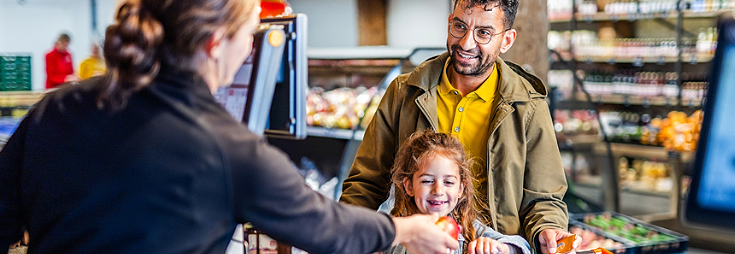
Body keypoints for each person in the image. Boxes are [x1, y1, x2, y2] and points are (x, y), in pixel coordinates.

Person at [0, 0, 459, 253]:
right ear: (217, 42)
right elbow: (327, 229)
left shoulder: (55, 108)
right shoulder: (226, 146)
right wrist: (404, 230)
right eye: (251, 34)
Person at [340, 0, 581, 253]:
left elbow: (544, 198)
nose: (466, 43)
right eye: (460, 26)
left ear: (507, 40)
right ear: (449, 23)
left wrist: (547, 228)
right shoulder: (405, 93)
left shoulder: (528, 106)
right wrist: (342, 237)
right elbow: (365, 184)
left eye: (483, 33)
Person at [387, 130, 531, 254]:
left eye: (448, 182)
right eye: (427, 181)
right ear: (409, 186)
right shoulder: (397, 228)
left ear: (460, 189)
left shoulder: (470, 230)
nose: (438, 190)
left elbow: (522, 247)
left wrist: (501, 248)